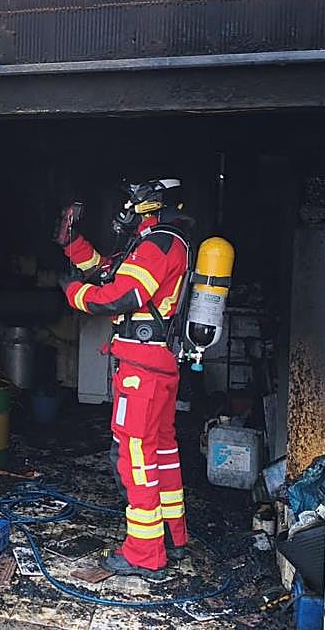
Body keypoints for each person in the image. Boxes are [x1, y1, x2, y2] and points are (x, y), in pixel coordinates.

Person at [55, 180, 191, 581]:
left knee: (136, 457)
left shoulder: (159, 244)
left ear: (149, 206)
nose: (124, 211)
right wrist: (71, 243)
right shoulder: (155, 242)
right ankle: (172, 537)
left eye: (129, 205)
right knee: (162, 451)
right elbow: (107, 271)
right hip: (153, 366)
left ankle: (145, 555)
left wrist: (75, 295)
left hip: (142, 371)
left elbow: (121, 294)